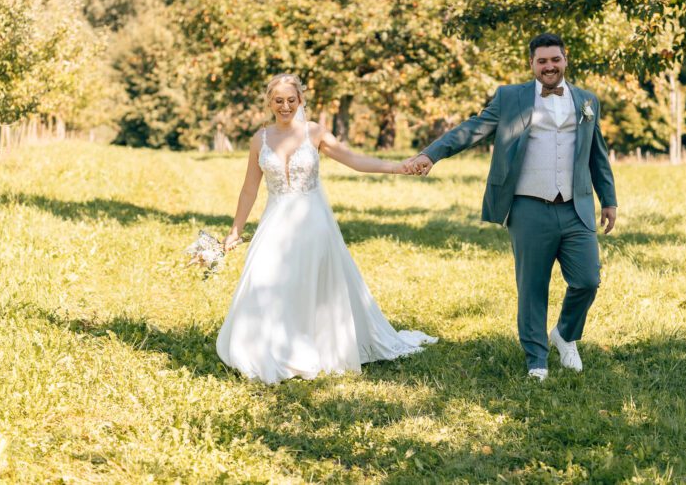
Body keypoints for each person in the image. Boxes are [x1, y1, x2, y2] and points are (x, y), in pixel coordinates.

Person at [403, 33, 617, 381]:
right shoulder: (510, 97)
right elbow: (471, 129)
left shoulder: (586, 101)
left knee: (588, 280)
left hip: (575, 206)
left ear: (566, 59)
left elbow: (597, 153)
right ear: (531, 64)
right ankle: (536, 358)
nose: (549, 66)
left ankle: (564, 334)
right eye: (542, 61)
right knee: (532, 285)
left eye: (555, 59)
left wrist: (608, 199)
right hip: (528, 206)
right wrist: (432, 154)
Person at [216, 73, 436, 384]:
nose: (285, 105)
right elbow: (249, 189)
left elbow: (353, 159)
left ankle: (312, 344)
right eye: (278, 100)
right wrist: (235, 230)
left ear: (301, 100)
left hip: (312, 219)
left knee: (310, 282)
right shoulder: (259, 139)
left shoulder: (314, 133)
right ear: (269, 102)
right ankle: (269, 345)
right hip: (275, 221)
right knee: (267, 279)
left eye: (291, 100)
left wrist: (397, 167)